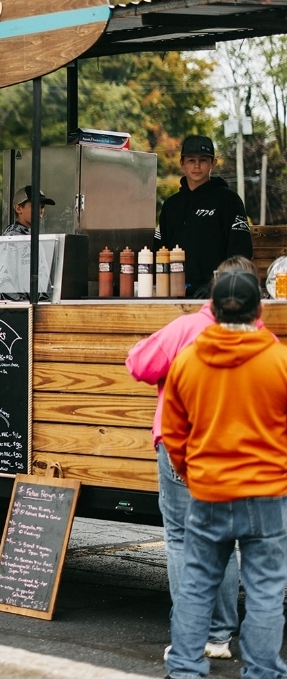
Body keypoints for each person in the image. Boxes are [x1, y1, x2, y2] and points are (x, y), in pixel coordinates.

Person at [127, 257, 257, 662]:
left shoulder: (186, 327)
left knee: (183, 540)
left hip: (184, 446)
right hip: (236, 449)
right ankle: (219, 636)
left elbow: (139, 364)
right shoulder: (260, 338)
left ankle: (192, 635)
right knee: (224, 541)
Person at [162, 269, 287, 679]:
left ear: (212, 310)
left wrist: (192, 473)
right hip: (267, 495)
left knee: (198, 584)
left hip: (208, 491)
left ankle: (184, 668)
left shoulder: (187, 361)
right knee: (266, 590)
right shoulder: (279, 361)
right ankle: (263, 672)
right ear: (260, 311)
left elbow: (173, 433)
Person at [154, 135, 252, 298]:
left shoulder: (229, 201)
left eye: (203, 160)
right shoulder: (171, 205)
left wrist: (217, 286)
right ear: (182, 164)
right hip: (173, 294)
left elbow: (241, 252)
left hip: (217, 296)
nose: (197, 165)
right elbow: (159, 250)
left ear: (213, 163)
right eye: (191, 160)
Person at [0, 185, 56, 300]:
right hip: (20, 311)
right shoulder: (11, 239)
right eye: (35, 206)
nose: (40, 211)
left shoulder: (34, 238)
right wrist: (21, 305)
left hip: (38, 307)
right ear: (18, 208)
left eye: (42, 207)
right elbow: (3, 281)